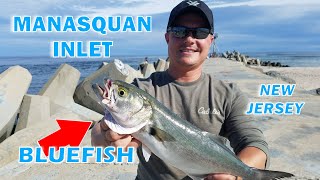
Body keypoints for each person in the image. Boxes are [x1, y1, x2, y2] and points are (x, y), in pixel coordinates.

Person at [91, 1, 269, 179]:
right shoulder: (143, 88)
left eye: (200, 32)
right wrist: (106, 138)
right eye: (179, 31)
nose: (189, 39)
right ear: (167, 37)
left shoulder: (228, 95)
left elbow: (255, 144)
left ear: (211, 40)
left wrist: (240, 175)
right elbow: (98, 135)